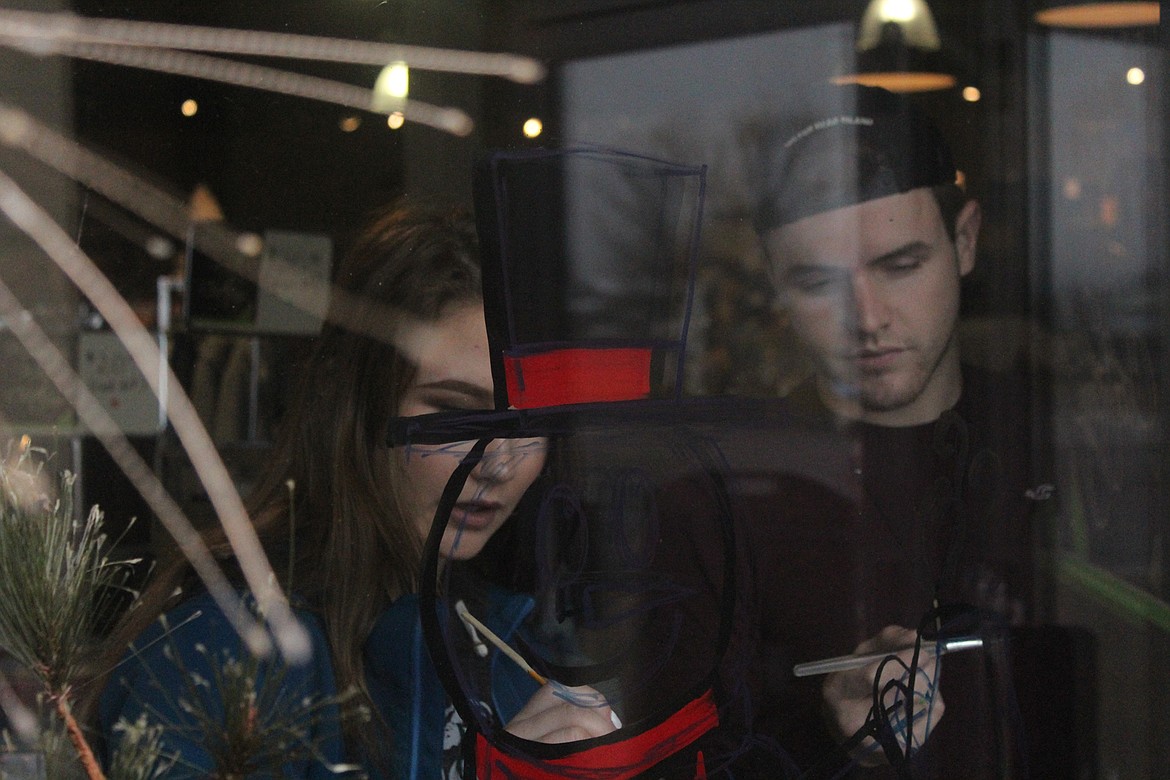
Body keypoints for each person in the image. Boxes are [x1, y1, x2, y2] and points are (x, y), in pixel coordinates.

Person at [91, 203, 618, 779]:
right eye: (453, 414)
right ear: (354, 408)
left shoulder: (499, 647)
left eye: (530, 422)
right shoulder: (225, 648)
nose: (499, 461)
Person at [742, 85, 1047, 776]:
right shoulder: (738, 483)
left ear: (964, 240)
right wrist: (829, 740)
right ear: (775, 284)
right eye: (820, 283)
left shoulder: (1052, 437)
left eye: (901, 266)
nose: (868, 316)